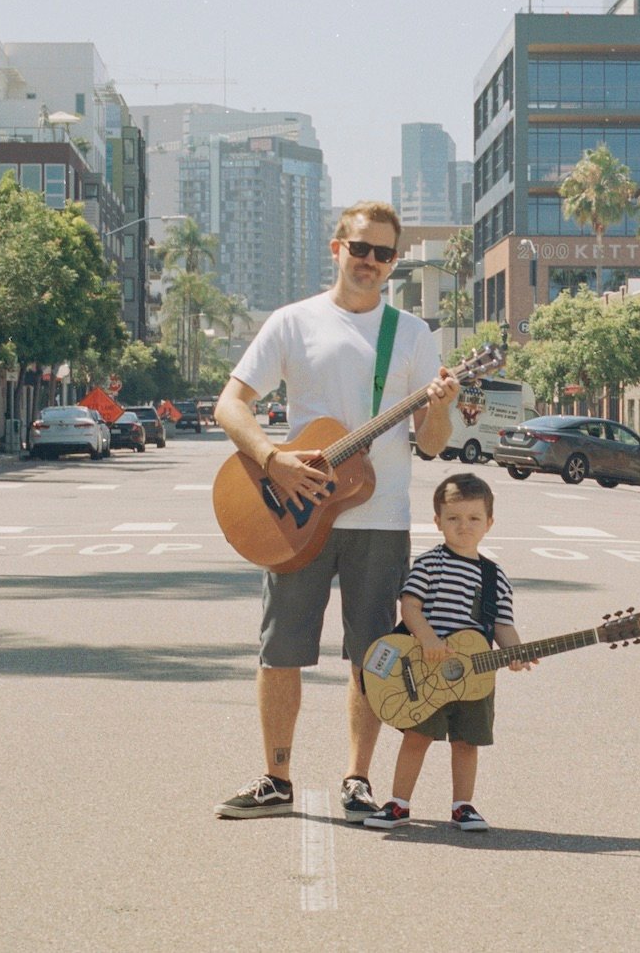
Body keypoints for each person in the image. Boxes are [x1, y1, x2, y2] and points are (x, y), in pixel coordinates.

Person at [213, 201, 460, 823]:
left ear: (395, 263)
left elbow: (432, 443)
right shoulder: (292, 322)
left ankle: (357, 779)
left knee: (371, 655)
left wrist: (439, 405)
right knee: (281, 650)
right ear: (337, 249)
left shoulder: (410, 335)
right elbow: (230, 405)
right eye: (361, 249)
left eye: (384, 254)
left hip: (379, 519)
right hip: (294, 514)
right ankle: (276, 777)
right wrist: (273, 461)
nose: (371, 263)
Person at [362, 472, 531, 833]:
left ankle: (463, 806)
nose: (463, 526)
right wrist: (428, 640)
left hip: (473, 677)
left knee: (468, 742)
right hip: (425, 670)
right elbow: (410, 607)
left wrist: (515, 651)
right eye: (453, 518)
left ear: (489, 523)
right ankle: (398, 803)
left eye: (473, 519)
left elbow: (502, 624)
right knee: (417, 737)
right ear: (437, 521)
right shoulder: (430, 564)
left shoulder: (494, 577)